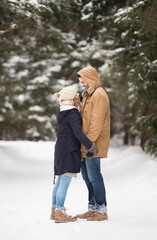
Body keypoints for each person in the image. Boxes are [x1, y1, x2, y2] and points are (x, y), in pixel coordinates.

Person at [50, 86, 98, 223]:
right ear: (72, 98)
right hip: (69, 150)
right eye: (77, 95)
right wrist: (90, 145)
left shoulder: (62, 111)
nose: (79, 97)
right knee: (64, 181)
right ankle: (59, 212)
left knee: (59, 181)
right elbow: (78, 132)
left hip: (60, 149)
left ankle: (54, 210)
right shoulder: (72, 113)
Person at [76, 67, 110, 221]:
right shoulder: (88, 95)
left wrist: (89, 144)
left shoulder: (99, 95)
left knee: (94, 177)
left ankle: (101, 210)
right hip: (86, 143)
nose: (81, 82)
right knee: (87, 177)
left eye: (84, 79)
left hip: (92, 144)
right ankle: (92, 208)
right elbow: (84, 120)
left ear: (92, 78)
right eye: (80, 80)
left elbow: (96, 123)